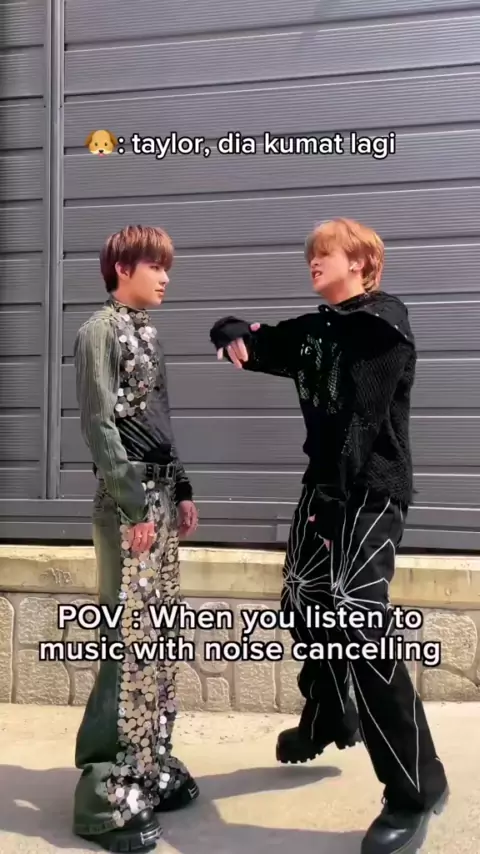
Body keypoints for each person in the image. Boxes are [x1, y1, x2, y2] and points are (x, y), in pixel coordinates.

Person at [209, 218, 449, 854]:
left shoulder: (381, 326)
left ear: (362, 262)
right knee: (303, 602)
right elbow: (258, 340)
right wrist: (229, 333)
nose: (313, 262)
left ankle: (416, 788)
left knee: (361, 626)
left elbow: (361, 424)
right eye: (311, 255)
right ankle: (326, 713)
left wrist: (335, 507)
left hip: (369, 492)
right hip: (324, 490)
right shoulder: (319, 329)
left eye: (326, 254)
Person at [72, 225, 200, 852]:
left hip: (159, 498)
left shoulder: (149, 333)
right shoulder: (97, 332)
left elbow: (160, 417)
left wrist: (183, 489)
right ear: (122, 268)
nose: (165, 276)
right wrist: (132, 502)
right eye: (155, 265)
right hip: (126, 502)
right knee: (124, 635)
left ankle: (147, 762)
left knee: (160, 634)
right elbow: (99, 425)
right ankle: (103, 782)